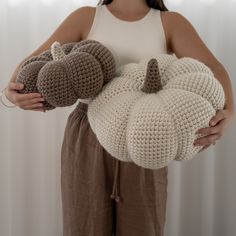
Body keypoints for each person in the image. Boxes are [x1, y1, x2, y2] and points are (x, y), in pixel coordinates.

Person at [1, 0, 235, 235]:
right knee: (84, 225)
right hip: (89, 134)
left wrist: (230, 112)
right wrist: (12, 93)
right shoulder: (86, 17)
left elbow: (213, 68)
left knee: (143, 226)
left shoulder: (169, 22)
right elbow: (34, 63)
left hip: (148, 137)